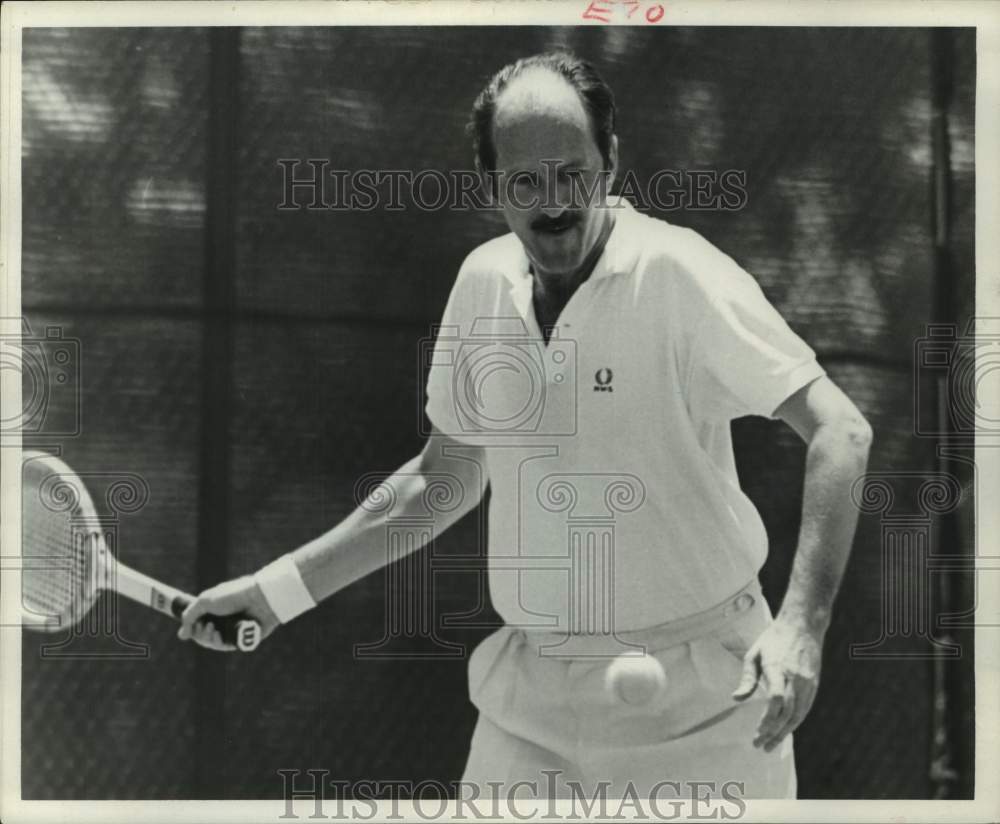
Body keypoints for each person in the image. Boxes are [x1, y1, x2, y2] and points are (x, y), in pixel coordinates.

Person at [178, 52, 873, 801]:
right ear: (492, 188)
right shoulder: (482, 285)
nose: (553, 202)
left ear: (610, 162)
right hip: (533, 710)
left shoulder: (681, 275)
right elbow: (441, 482)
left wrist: (800, 624)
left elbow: (842, 431)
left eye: (571, 172)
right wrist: (274, 593)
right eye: (525, 181)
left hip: (710, 706)